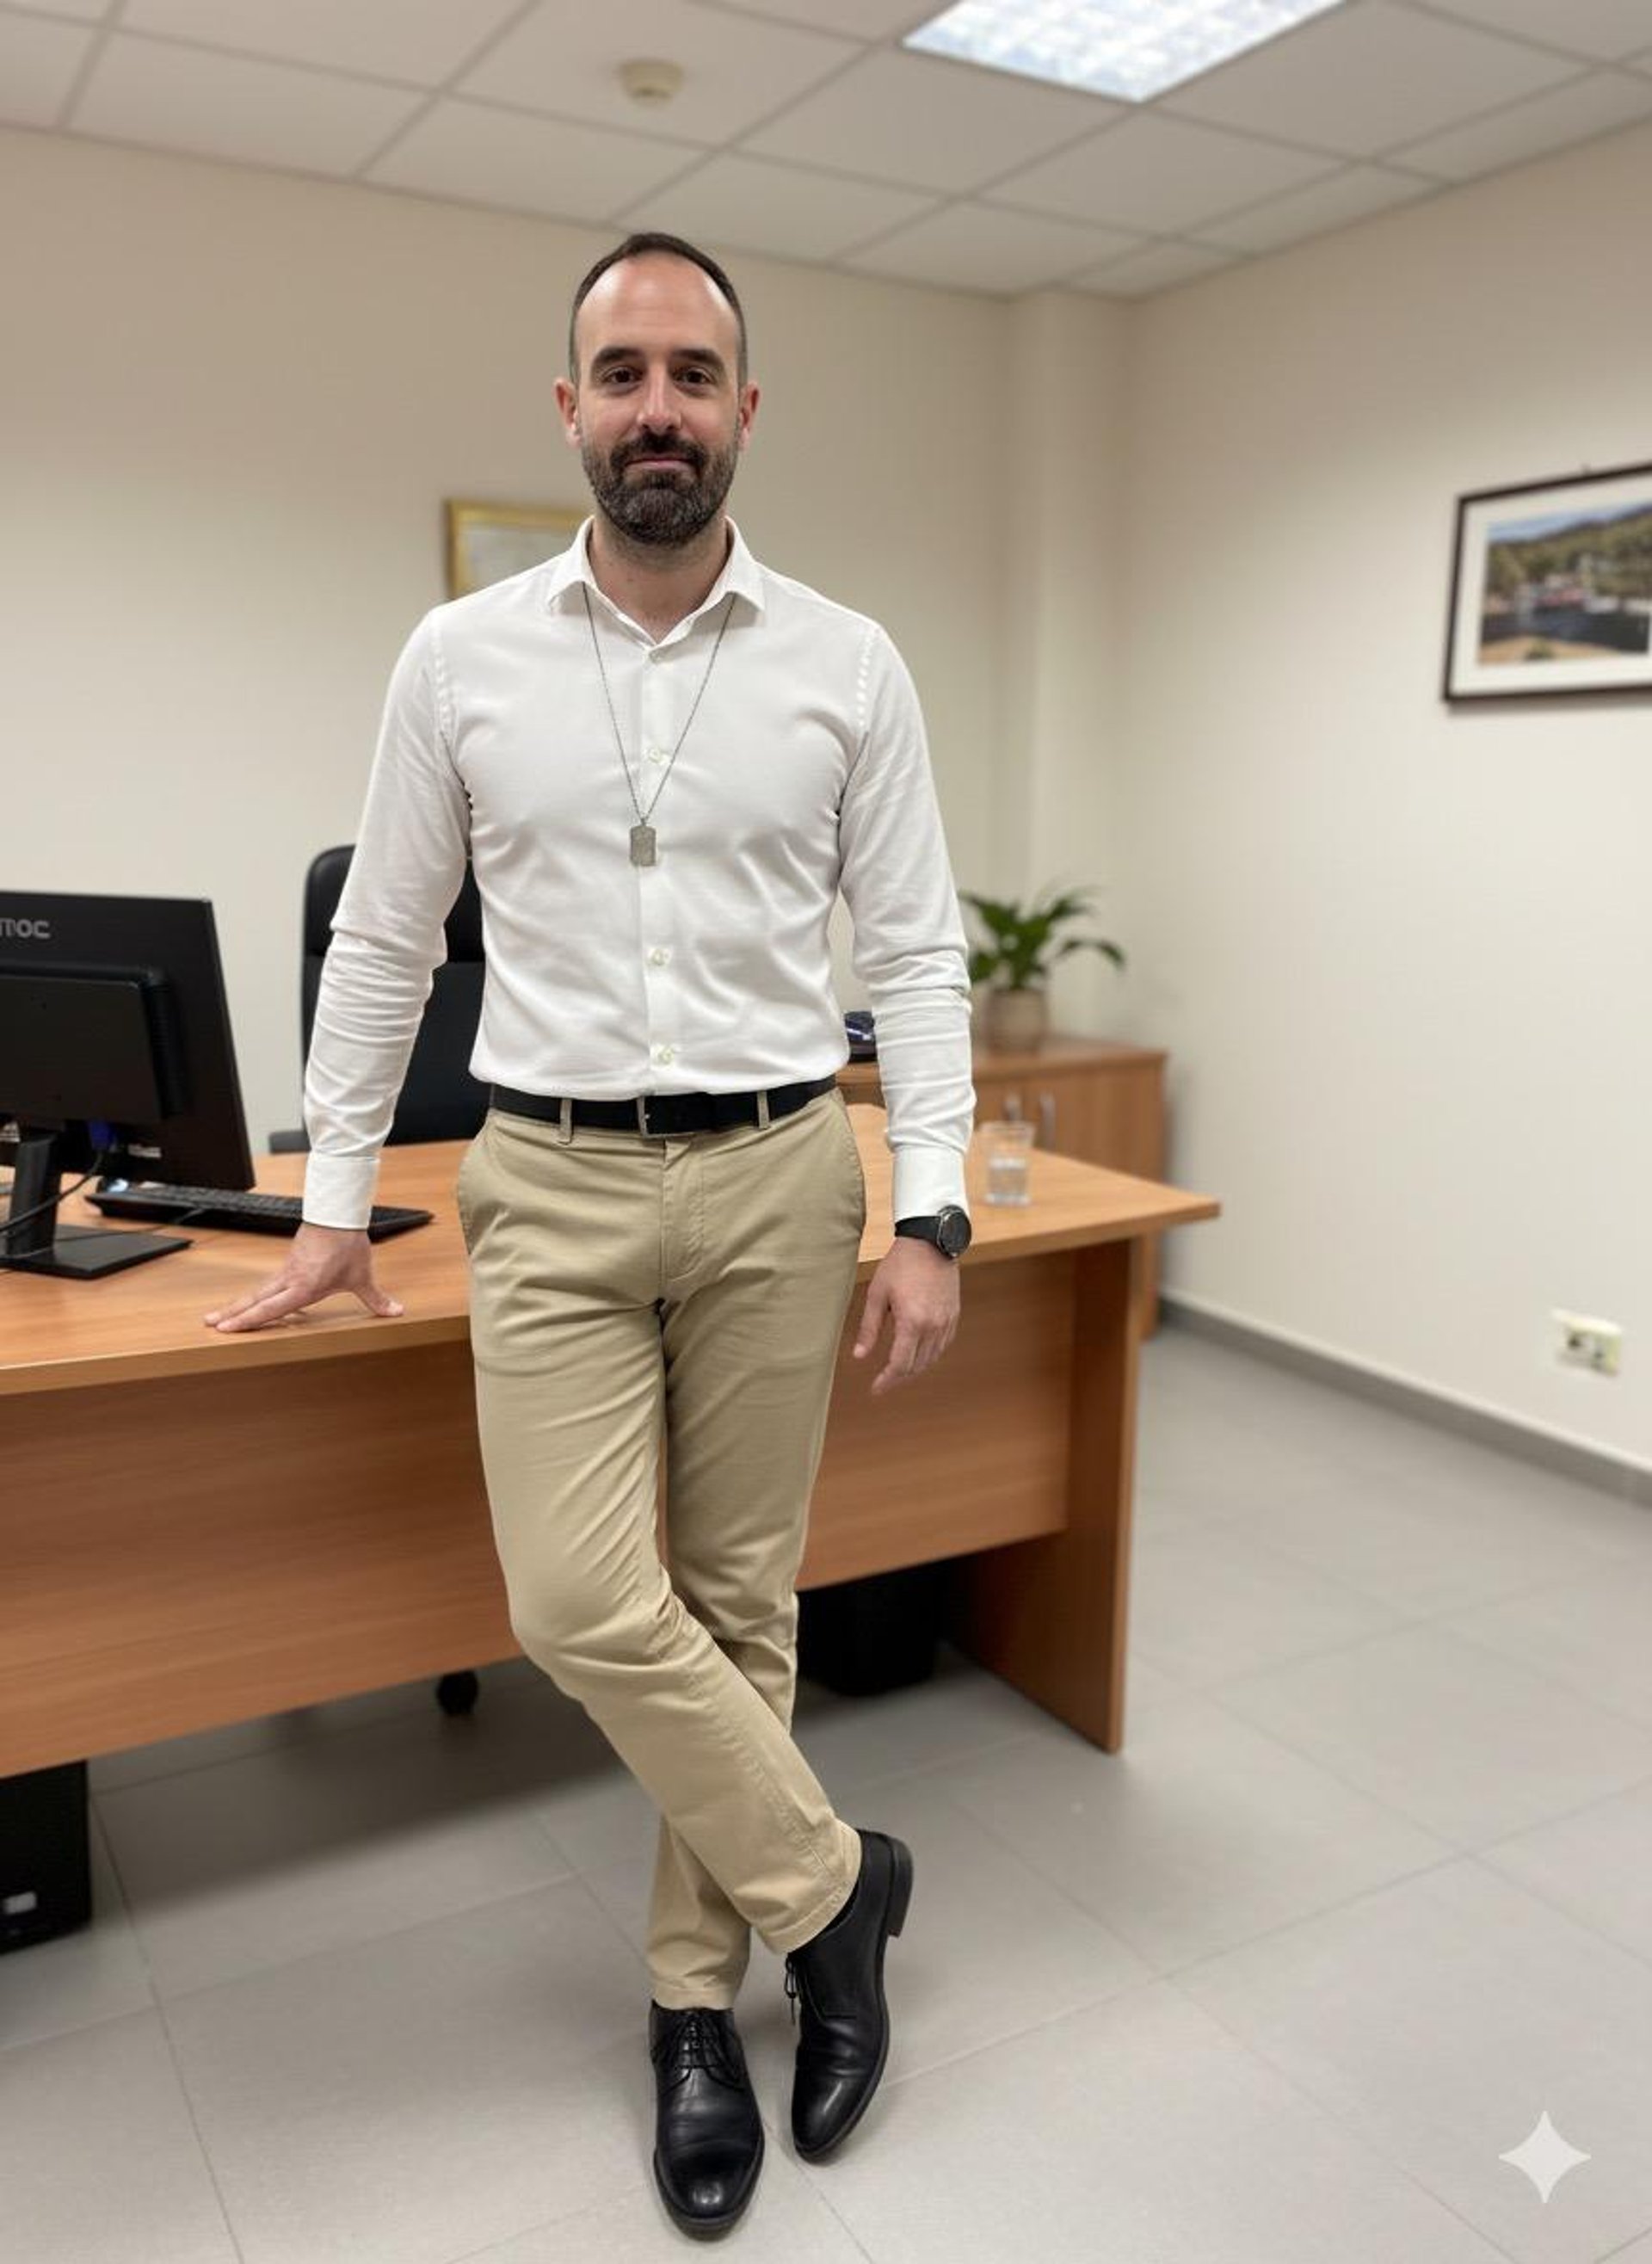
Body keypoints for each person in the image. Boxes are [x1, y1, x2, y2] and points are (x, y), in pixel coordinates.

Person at [203, 230, 976, 2237]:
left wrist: (938, 1207)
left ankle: (690, 2007)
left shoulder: (849, 660)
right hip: (537, 1179)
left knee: (739, 1603)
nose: (657, 407)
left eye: (693, 373)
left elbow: (915, 951)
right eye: (621, 372)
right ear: (571, 408)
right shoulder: (459, 656)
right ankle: (838, 1887)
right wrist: (330, 1201)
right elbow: (380, 943)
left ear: (743, 406)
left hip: (784, 1169)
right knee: (573, 1600)